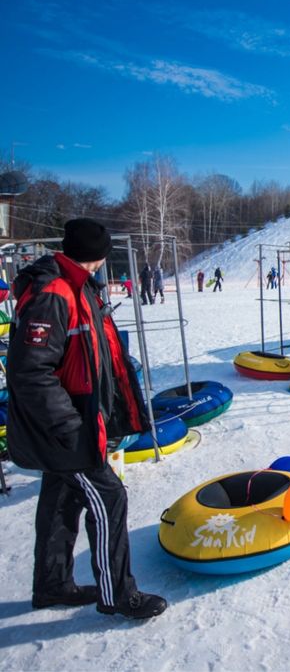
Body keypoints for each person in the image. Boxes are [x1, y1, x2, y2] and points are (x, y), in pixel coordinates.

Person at [6, 218, 167, 619]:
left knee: (61, 500)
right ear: (95, 255)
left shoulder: (79, 286)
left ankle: (52, 584)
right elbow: (30, 371)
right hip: (64, 427)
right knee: (109, 497)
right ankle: (118, 594)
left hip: (75, 420)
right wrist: (69, 427)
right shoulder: (55, 293)